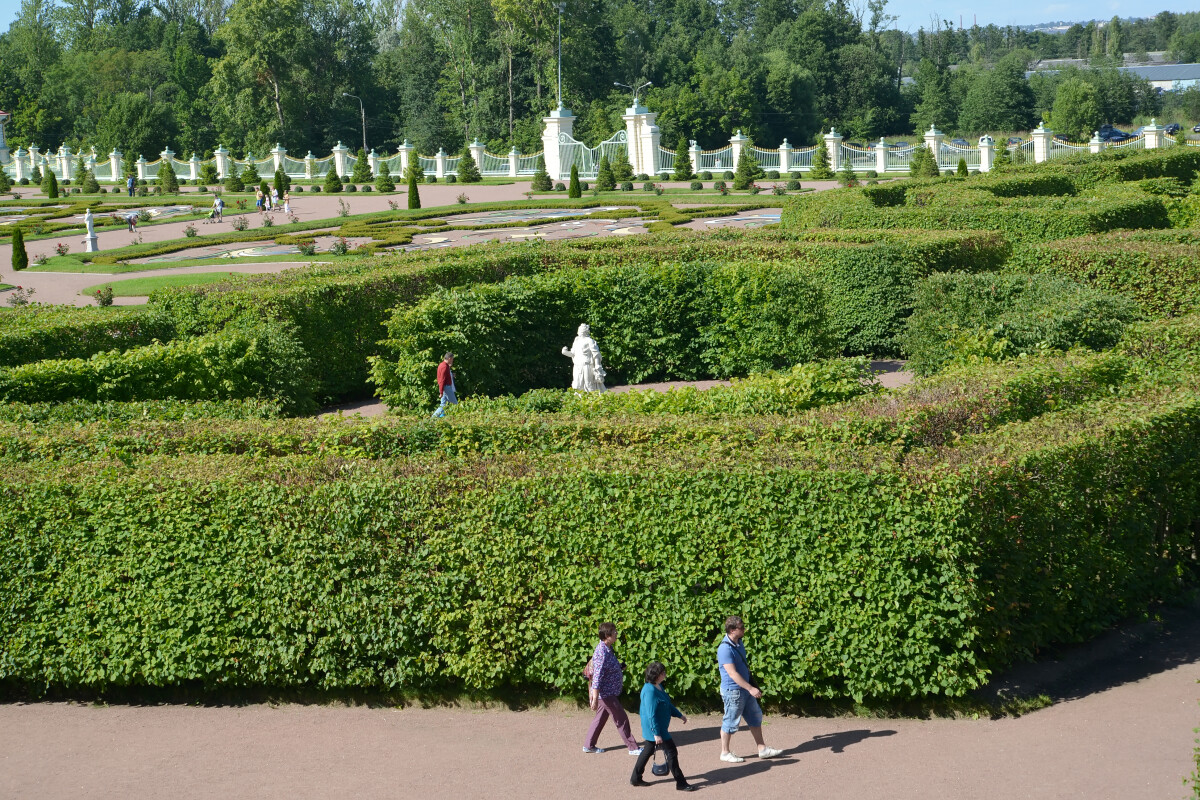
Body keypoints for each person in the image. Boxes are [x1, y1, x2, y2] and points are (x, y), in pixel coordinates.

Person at [717, 616, 782, 762]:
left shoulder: (739, 643)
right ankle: (725, 752)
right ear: (733, 630)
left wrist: (749, 688)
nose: (744, 629)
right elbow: (732, 674)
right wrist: (751, 688)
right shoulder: (724, 649)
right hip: (733, 691)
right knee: (730, 721)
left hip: (745, 690)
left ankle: (762, 749)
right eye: (741, 627)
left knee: (755, 717)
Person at [631, 662, 695, 791]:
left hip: (658, 728)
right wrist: (656, 733)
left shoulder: (658, 686)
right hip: (656, 728)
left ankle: (635, 778)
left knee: (648, 750)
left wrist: (679, 715)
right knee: (671, 752)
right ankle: (681, 783)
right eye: (663, 673)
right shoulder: (650, 691)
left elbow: (667, 703)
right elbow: (651, 715)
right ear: (656, 675)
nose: (665, 674)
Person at [583, 622, 641, 756]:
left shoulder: (607, 648)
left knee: (600, 719)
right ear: (607, 635)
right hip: (606, 694)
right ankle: (633, 747)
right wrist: (595, 698)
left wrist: (619, 668)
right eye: (614, 632)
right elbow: (597, 676)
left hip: (607, 693)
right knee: (621, 718)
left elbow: (606, 669)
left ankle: (589, 745)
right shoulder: (601, 652)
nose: (616, 634)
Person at [561, 323, 607, 392]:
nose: (581, 332)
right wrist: (565, 352)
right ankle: (578, 400)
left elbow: (596, 354)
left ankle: (593, 400)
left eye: (582, 330)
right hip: (577, 366)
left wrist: (597, 365)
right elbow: (573, 354)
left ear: (586, 331)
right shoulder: (576, 341)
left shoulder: (589, 340)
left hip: (587, 365)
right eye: (580, 330)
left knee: (589, 384)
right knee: (577, 384)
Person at [431, 352, 457, 418]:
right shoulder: (444, 367)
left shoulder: (443, 365)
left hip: (445, 387)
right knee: (455, 404)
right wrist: (441, 392)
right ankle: (432, 418)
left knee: (443, 405)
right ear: (449, 358)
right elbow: (442, 380)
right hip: (446, 387)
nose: (452, 360)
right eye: (452, 359)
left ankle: (434, 419)